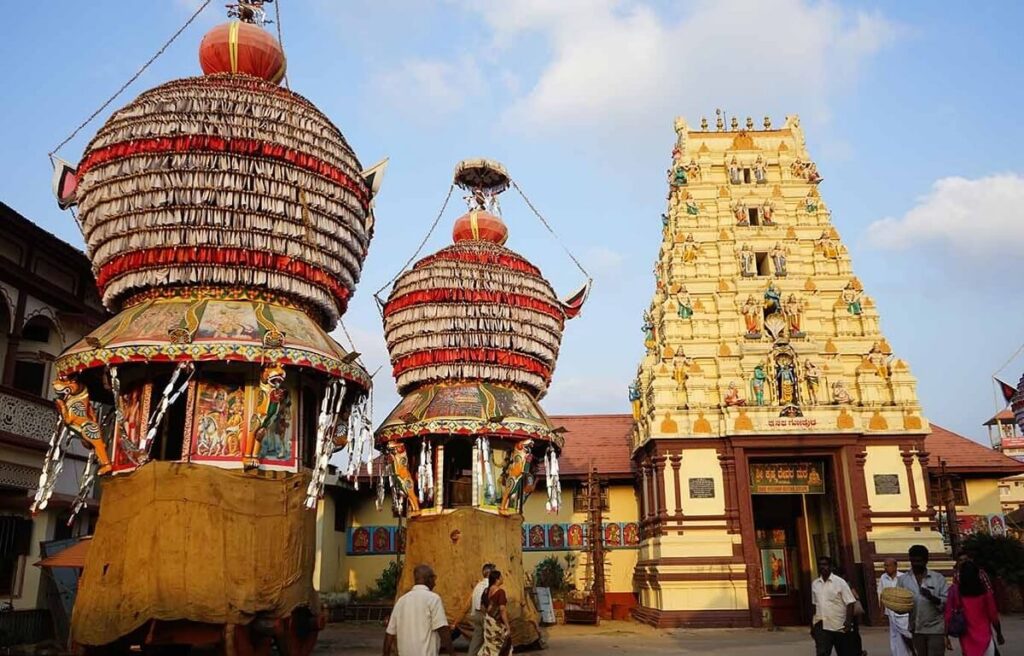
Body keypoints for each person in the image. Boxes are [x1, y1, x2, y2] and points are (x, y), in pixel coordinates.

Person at [383, 564, 455, 656]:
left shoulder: (401, 601)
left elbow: (389, 634)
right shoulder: (433, 599)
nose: (435, 583)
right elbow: (442, 630)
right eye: (434, 578)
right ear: (428, 579)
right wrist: (452, 653)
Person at [897, 544, 948, 656]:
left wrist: (931, 597)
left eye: (919, 561)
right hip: (916, 628)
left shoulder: (938, 578)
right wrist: (898, 607)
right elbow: (899, 604)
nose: (916, 564)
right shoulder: (903, 580)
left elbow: (946, 602)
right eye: (913, 561)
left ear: (926, 560)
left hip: (935, 628)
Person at [946, 560, 1004, 656]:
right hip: (985, 636)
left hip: (967, 638)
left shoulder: (955, 591)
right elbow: (994, 617)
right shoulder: (985, 593)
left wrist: (946, 636)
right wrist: (999, 634)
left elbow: (948, 614)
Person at [810, 556, 856, 656]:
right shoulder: (815, 584)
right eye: (820, 565)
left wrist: (848, 622)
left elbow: (850, 602)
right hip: (821, 625)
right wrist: (812, 624)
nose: (822, 567)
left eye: (825, 564)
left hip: (839, 625)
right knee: (822, 653)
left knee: (844, 652)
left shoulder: (840, 582)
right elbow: (814, 605)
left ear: (830, 567)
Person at [878, 557, 913, 656]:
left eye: (888, 565)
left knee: (907, 635)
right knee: (895, 638)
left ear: (895, 566)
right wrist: (882, 611)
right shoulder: (883, 578)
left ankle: (915, 651)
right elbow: (882, 594)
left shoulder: (903, 577)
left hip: (903, 614)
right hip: (890, 613)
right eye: (884, 565)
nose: (885, 568)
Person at [459, 563, 495, 656]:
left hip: (476, 614)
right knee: (492, 640)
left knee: (477, 639)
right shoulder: (489, 585)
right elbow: (487, 602)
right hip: (485, 614)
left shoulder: (478, 585)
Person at [480, 569, 512, 656]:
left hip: (488, 622)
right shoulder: (500, 592)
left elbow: (482, 606)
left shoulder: (486, 591)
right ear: (497, 579)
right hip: (498, 623)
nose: (502, 578)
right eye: (501, 577)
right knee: (504, 646)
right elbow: (502, 610)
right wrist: (507, 626)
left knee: (490, 646)